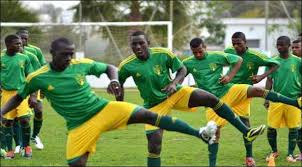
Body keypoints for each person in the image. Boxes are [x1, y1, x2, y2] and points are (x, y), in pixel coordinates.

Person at [2, 37, 220, 166]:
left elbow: (109, 67)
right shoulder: (37, 77)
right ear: (52, 54)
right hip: (79, 126)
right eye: (64, 55)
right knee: (76, 163)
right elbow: (18, 97)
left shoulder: (80, 64)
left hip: (103, 109)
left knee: (148, 115)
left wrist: (114, 80)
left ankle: (199, 133)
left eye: (70, 54)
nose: (68, 58)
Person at [117, 30, 267, 167]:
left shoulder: (163, 53)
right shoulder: (127, 66)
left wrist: (174, 83)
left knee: (209, 98)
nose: (138, 46)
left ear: (148, 43)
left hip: (174, 93)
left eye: (141, 43)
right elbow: (119, 84)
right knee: (154, 145)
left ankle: (246, 131)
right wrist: (120, 104)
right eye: (134, 44)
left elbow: (181, 69)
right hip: (154, 105)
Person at [184, 37, 302, 167]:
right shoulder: (189, 62)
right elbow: (180, 73)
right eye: (195, 53)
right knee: (214, 132)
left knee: (255, 95)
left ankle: (250, 157)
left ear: (205, 47)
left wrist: (230, 76)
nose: (198, 55)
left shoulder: (220, 56)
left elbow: (240, 60)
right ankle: (212, 164)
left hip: (231, 91)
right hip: (212, 100)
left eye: (200, 51)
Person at [223, 31, 280, 166]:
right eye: (234, 44)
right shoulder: (228, 51)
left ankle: (249, 157)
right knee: (215, 125)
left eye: (239, 44)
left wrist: (261, 76)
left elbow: (276, 64)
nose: (236, 46)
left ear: (246, 42)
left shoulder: (255, 56)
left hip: (244, 92)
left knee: (246, 125)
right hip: (227, 90)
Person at [264, 36, 302, 163]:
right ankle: (274, 151)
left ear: (289, 46)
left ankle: (290, 154)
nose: (279, 47)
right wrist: (266, 97)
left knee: (293, 128)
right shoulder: (272, 62)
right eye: (277, 45)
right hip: (277, 100)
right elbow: (269, 80)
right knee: (271, 127)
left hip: (294, 100)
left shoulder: (298, 61)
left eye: (282, 45)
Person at [0, 34, 35, 159]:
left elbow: (31, 78)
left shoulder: (24, 58)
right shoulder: (1, 58)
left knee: (24, 119)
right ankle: (9, 150)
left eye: (21, 43)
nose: (20, 46)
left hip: (22, 93)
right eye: (17, 44)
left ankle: (27, 147)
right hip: (6, 94)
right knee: (7, 122)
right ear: (8, 45)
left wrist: (33, 96)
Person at [16, 28, 46, 149]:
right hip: (18, 87)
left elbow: (42, 68)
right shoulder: (10, 52)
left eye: (26, 38)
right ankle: (20, 143)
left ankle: (35, 136)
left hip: (33, 86)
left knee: (38, 110)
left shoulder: (35, 51)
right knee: (19, 116)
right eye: (21, 38)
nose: (24, 40)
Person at [292, 38, 302, 161]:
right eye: (293, 48)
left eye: (297, 47)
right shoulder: (293, 61)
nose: (294, 50)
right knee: (298, 127)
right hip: (297, 98)